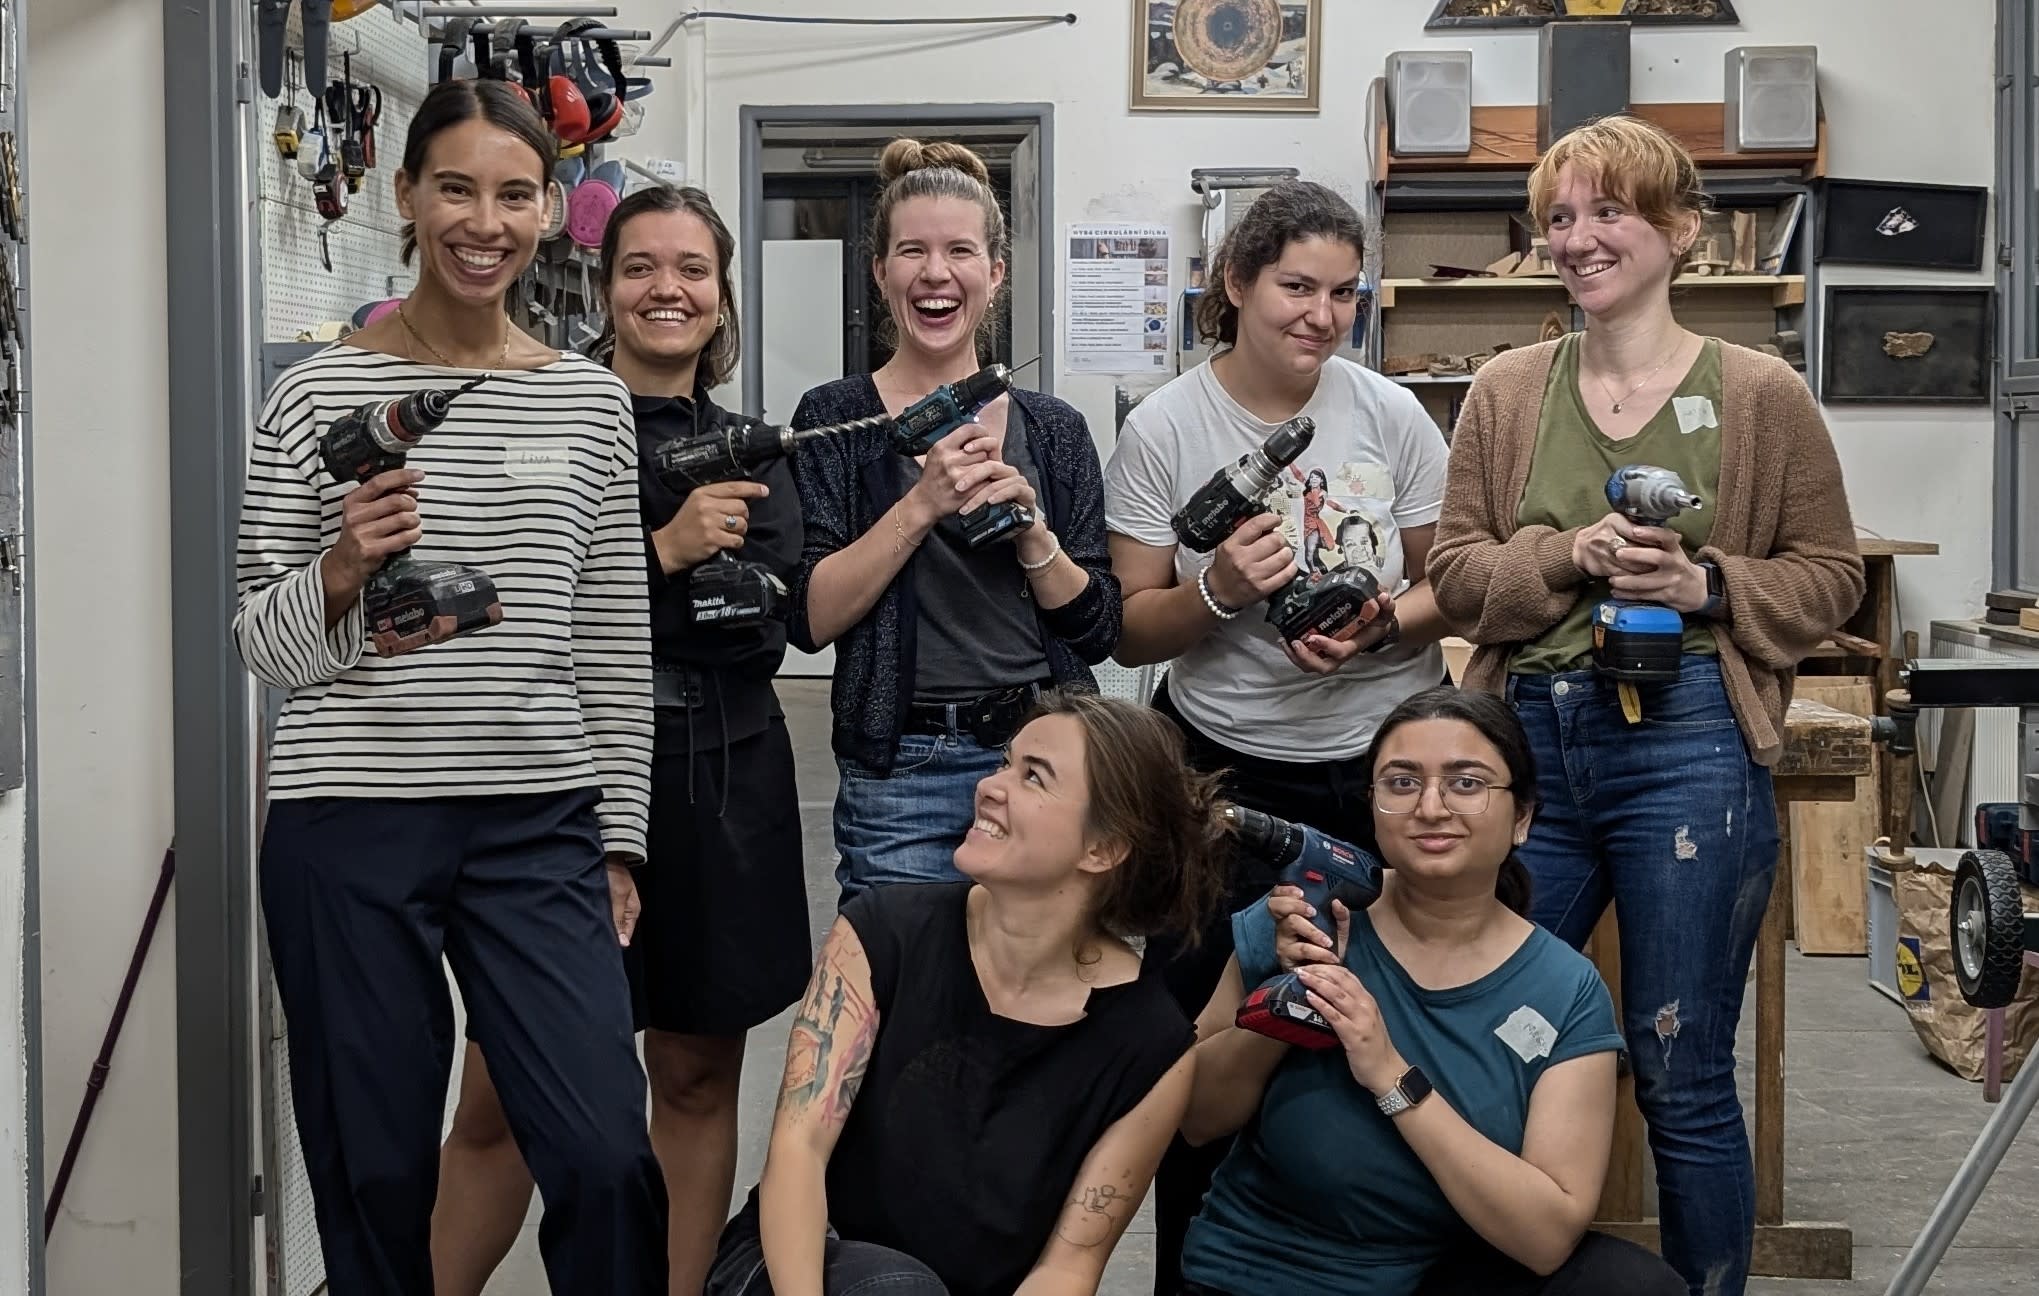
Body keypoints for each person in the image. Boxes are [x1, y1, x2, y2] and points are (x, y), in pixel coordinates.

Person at [231, 79, 664, 1293]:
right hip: (348, 821)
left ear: (549, 210)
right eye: (457, 189)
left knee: (600, 1154)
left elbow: (611, 637)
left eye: (515, 194)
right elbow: (260, 642)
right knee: (371, 1173)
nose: (486, 221)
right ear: (407, 196)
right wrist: (340, 567)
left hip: (537, 822)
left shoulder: (587, 401)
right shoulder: (316, 395)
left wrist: (616, 840)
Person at [1425, 115, 1865, 1296]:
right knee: (1477, 1034)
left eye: (1606, 212)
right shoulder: (1507, 390)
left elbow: (1830, 574)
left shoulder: (1761, 395)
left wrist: (1704, 582)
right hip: (1527, 746)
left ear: (1678, 232)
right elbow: (1456, 572)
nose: (1576, 239)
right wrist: (1567, 554)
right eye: (1558, 218)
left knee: (1679, 1072)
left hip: (1688, 749)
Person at [431, 186, 811, 1295]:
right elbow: (504, 603)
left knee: (693, 1078)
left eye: (692, 269)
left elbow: (764, 628)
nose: (667, 289)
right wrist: (663, 552)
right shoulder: (541, 422)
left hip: (722, 783)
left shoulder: (755, 446)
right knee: (502, 1088)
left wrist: (672, 584)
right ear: (603, 289)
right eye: (641, 267)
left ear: (720, 294)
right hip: (565, 776)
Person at [1100, 178, 1450, 1293]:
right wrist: (1214, 591)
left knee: (1363, 1039)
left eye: (1342, 292)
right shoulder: (1164, 427)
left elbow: (1450, 581)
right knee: (1198, 1056)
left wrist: (1377, 625)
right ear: (1235, 284)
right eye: (1295, 285)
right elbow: (1126, 621)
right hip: (1216, 773)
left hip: (1372, 772)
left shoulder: (1388, 414)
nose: (1319, 313)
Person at [703, 689, 1225, 1296]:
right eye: (1006, 761)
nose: (990, 786)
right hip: (800, 1270)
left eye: (1034, 777)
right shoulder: (882, 933)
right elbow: (798, 1153)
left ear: (1102, 848)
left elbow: (1067, 1268)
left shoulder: (1151, 1046)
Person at [1176, 687, 1685, 1296]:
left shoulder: (1564, 989)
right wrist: (1290, 1000)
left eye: (1467, 783)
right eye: (1401, 782)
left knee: (1627, 1285)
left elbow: (1546, 1237)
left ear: (1522, 817)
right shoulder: (1300, 919)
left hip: (1438, 1277)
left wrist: (1391, 1076)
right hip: (1259, 1276)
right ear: (1373, 806)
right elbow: (1196, 1121)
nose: (1431, 806)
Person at [785, 137, 1121, 900]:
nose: (935, 274)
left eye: (959, 251)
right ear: (880, 273)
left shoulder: (1054, 429)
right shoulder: (834, 419)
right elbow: (809, 618)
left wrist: (1035, 535)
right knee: (903, 996)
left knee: (1035, 999)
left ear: (995, 273)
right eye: (911, 251)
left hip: (1045, 752)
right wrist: (922, 502)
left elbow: (1099, 628)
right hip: (902, 767)